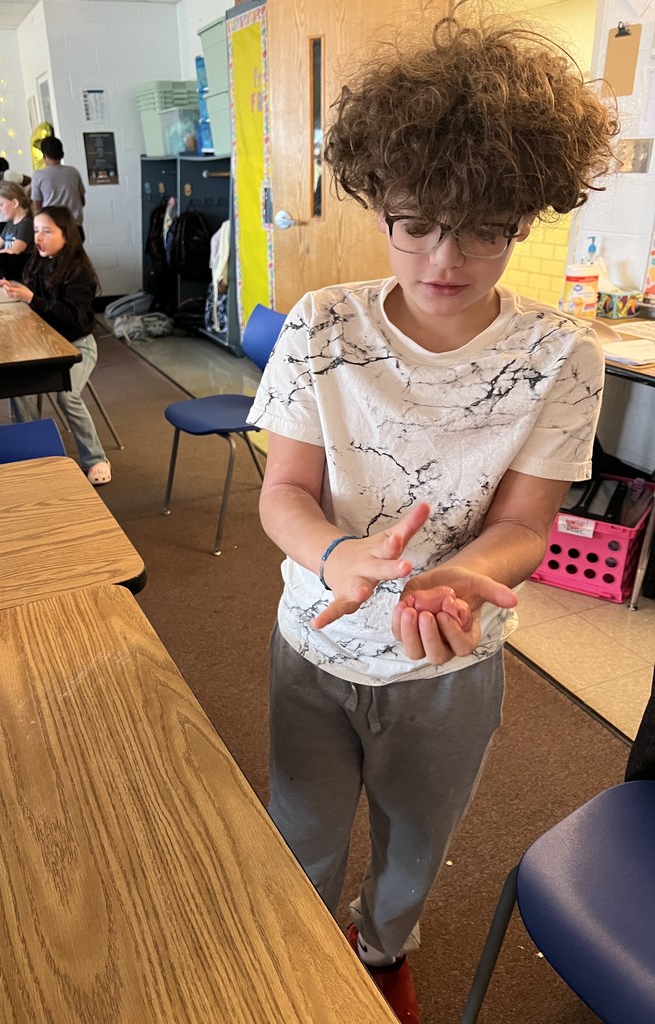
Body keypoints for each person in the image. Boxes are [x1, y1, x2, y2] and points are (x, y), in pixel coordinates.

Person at [246, 11, 618, 1023]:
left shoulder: (563, 357)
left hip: (454, 661)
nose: (445, 257)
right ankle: (301, 961)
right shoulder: (323, 326)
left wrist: (457, 575)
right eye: (416, 222)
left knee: (416, 844)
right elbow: (281, 494)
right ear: (378, 206)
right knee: (302, 835)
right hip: (316, 649)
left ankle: (380, 950)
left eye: (483, 228)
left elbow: (526, 524)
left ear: (523, 220)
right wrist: (340, 553)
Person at [0, 205, 111, 485]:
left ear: (66, 235)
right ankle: (33, 453)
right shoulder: (37, 260)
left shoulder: (79, 270)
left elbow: (73, 319)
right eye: (36, 230)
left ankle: (96, 458)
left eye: (47, 231)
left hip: (77, 346)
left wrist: (31, 299)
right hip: (44, 346)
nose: (39, 237)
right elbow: (5, 266)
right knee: (18, 388)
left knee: (67, 395)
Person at [29, 137, 87, 240]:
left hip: (51, 227)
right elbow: (82, 201)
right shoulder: (73, 172)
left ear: (44, 154)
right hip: (75, 226)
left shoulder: (39, 175)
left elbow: (37, 206)